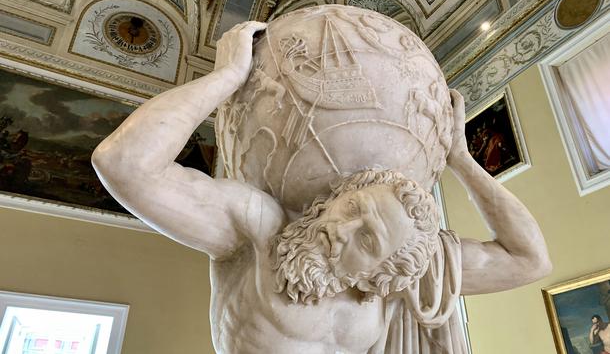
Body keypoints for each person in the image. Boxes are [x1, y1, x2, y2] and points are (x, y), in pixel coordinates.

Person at [92, 22, 552, 353]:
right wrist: (226, 78)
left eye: (366, 238)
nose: (341, 228)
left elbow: (529, 260)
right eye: (351, 207)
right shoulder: (258, 230)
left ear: (380, 275)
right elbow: (124, 163)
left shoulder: (400, 281)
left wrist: (462, 160)